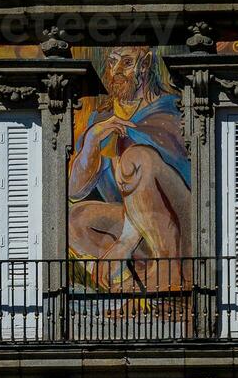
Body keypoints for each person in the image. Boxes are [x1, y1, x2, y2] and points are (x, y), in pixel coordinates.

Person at [69, 48, 193, 289]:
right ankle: (132, 283)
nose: (116, 72)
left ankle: (168, 273)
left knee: (136, 158)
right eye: (112, 63)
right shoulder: (101, 119)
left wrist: (125, 241)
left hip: (178, 224)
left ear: (145, 65)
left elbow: (167, 182)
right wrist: (93, 139)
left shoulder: (169, 112)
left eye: (126, 63)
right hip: (132, 221)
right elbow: (75, 190)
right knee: (74, 219)